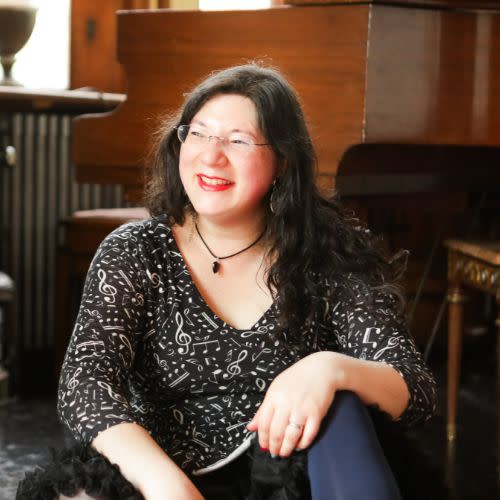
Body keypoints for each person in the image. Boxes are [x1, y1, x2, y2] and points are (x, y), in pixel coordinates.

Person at [57, 63, 437, 500]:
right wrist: (167, 486)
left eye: (238, 141)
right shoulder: (136, 250)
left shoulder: (328, 252)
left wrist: (329, 368)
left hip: (288, 474)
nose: (211, 156)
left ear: (282, 161)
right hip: (164, 472)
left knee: (343, 403)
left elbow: (416, 389)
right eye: (198, 134)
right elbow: (85, 384)